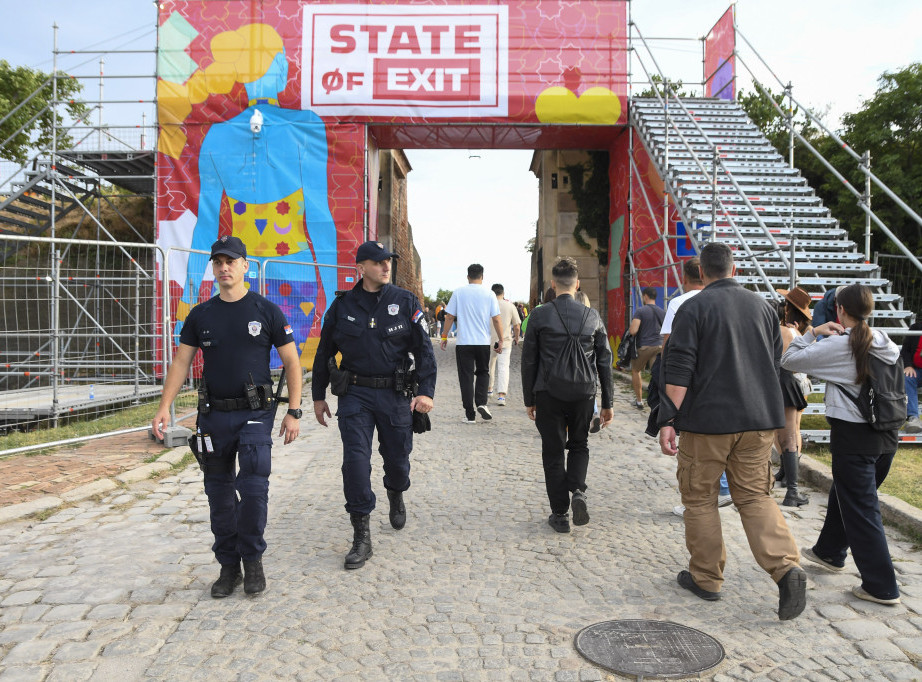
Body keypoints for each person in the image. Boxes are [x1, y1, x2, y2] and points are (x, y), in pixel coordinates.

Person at [658, 242, 806, 621]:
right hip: (758, 419)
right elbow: (773, 361)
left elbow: (679, 369)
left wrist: (668, 420)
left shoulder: (693, 308)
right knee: (755, 496)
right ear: (734, 269)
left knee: (700, 499)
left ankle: (706, 578)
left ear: (701, 272)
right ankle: (786, 567)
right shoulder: (764, 308)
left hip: (707, 422)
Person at [151, 235, 303, 598]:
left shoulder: (266, 310)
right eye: (218, 262)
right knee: (218, 494)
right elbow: (181, 363)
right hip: (213, 416)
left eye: (230, 261)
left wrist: (294, 411)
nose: (224, 268)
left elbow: (292, 362)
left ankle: (253, 561)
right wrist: (164, 406)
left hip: (255, 413)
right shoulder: (201, 315)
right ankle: (228, 567)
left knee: (253, 489)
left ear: (245, 266)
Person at [311, 241, 436, 570]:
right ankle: (361, 536)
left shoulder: (405, 301)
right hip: (355, 394)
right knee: (354, 462)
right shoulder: (342, 306)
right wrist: (318, 396)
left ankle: (396, 490)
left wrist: (426, 392)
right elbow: (324, 352)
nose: (386, 266)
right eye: (378, 262)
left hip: (395, 394)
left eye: (388, 261)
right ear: (361, 268)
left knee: (397, 460)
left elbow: (424, 350)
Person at [782, 283, 902, 606]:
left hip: (854, 438)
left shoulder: (841, 345)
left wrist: (813, 332)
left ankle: (882, 586)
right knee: (848, 494)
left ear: (840, 310)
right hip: (887, 437)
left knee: (862, 510)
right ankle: (829, 551)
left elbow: (789, 360)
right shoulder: (885, 341)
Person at [521, 258, 614, 533]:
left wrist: (529, 399)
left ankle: (560, 514)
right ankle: (578, 491)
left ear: (552, 284)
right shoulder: (592, 316)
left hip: (548, 392)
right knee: (579, 444)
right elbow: (604, 362)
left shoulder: (539, 315)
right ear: (577, 284)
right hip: (584, 392)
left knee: (552, 451)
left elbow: (529, 361)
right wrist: (607, 403)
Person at [649, 258, 732, 515]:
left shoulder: (679, 303)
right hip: (722, 379)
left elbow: (669, 347)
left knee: (692, 443)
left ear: (685, 277)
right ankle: (721, 487)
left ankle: (700, 498)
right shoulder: (725, 300)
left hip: (690, 380)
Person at [440, 264, 503, 423]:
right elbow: (496, 319)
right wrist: (501, 339)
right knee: (483, 372)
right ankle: (481, 402)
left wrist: (444, 336)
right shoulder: (489, 294)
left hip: (464, 342)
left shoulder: (458, 292)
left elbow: (449, 316)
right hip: (483, 342)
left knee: (466, 377)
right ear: (482, 277)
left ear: (468, 277)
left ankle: (470, 415)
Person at [772, 287, 813, 507]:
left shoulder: (781, 331)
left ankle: (788, 483)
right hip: (789, 380)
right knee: (790, 434)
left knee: (784, 433)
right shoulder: (796, 332)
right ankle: (791, 489)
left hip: (780, 381)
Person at [627, 287, 665, 409]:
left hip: (644, 346)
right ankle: (658, 401)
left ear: (645, 296)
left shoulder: (640, 311)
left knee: (636, 370)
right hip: (659, 346)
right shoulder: (662, 312)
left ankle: (639, 401)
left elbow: (633, 330)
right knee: (657, 374)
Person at [488, 283, 521, 406]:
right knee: (503, 367)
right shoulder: (510, 306)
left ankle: (489, 388)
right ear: (503, 293)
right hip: (505, 341)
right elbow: (517, 325)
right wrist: (516, 338)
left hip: (489, 340)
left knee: (489, 365)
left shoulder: (487, 305)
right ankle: (501, 396)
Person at [900, 316, 922, 433]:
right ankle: (913, 418)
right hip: (917, 371)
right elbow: (905, 350)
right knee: (907, 378)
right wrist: (908, 365)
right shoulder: (916, 328)